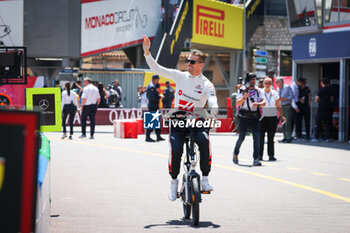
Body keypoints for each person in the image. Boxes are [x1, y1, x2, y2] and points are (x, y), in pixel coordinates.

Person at [143, 35, 218, 200]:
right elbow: (157, 69)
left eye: (192, 62)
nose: (188, 64)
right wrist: (147, 52)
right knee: (176, 150)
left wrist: (213, 110)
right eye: (188, 61)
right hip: (178, 121)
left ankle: (205, 179)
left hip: (197, 122)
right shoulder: (180, 76)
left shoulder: (207, 84)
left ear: (201, 64)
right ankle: (173, 183)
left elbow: (213, 100)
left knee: (205, 141)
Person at [233, 73, 265, 166]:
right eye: (252, 79)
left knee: (257, 138)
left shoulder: (259, 91)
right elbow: (238, 103)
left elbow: (263, 102)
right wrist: (244, 97)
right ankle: (235, 153)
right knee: (241, 138)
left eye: (255, 79)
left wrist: (258, 104)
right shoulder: (241, 90)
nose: (254, 81)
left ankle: (256, 158)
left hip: (255, 117)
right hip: (244, 117)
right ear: (247, 80)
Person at [259, 77, 285, 161]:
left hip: (272, 117)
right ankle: (259, 155)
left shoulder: (274, 93)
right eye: (266, 83)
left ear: (271, 84)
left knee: (271, 137)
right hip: (262, 116)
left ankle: (271, 155)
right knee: (261, 137)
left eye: (269, 83)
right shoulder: (260, 92)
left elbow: (278, 105)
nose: (267, 85)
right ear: (263, 84)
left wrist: (282, 115)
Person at [312, 78, 334, 142]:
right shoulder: (331, 90)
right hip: (329, 108)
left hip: (321, 108)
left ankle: (317, 137)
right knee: (328, 123)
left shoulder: (320, 90)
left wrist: (320, 100)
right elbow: (331, 99)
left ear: (322, 83)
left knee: (318, 122)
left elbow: (316, 99)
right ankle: (328, 137)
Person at [145, 74, 166, 142]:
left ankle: (158, 136)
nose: (158, 81)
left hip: (154, 106)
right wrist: (159, 97)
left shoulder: (153, 86)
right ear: (155, 79)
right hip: (152, 106)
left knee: (157, 121)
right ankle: (147, 137)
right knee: (151, 121)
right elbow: (151, 97)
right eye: (157, 79)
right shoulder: (151, 87)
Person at [276, 77, 294, 143]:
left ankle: (289, 137)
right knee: (283, 122)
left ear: (281, 81)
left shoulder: (287, 87)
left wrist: (285, 99)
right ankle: (285, 137)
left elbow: (292, 96)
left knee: (288, 122)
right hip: (281, 106)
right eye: (276, 82)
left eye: (277, 82)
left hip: (287, 106)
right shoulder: (278, 89)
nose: (277, 83)